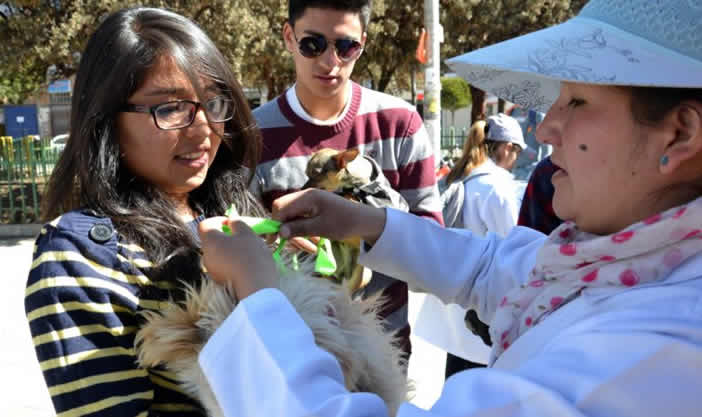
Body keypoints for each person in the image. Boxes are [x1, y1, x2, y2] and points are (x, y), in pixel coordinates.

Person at [193, 0, 702, 415]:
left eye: (578, 103)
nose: (546, 129)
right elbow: (494, 268)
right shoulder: (632, 264)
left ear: (679, 134)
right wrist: (365, 221)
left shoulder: (657, 347)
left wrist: (256, 291)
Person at [24, 7, 265, 416]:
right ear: (106, 121)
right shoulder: (79, 256)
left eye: (213, 101)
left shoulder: (236, 211)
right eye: (170, 108)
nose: (204, 127)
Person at [250, 0, 443, 359]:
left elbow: (433, 257)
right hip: (288, 355)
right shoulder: (252, 134)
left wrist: (364, 228)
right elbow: (233, 246)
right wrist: (274, 240)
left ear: (363, 43)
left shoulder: (400, 124)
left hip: (382, 356)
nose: (330, 61)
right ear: (289, 37)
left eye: (346, 47)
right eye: (313, 44)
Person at [422, 114, 526, 376]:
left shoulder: (457, 179)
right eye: (517, 153)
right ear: (507, 148)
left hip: (454, 302)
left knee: (456, 379)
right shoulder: (497, 188)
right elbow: (513, 246)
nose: (516, 162)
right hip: (484, 310)